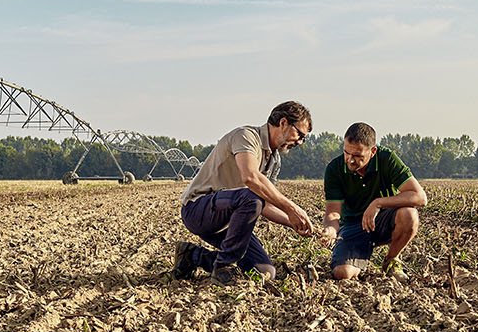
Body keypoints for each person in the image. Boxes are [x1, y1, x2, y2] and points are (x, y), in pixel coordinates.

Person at [175, 101, 316, 284]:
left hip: (229, 221)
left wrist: (295, 223)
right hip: (198, 210)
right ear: (283, 123)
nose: (300, 142)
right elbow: (250, 178)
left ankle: (193, 256)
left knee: (264, 272)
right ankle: (223, 266)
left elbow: (264, 204)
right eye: (300, 135)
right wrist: (292, 208)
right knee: (251, 196)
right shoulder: (246, 136)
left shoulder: (274, 159)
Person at [322, 122, 427, 280]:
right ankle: (358, 258)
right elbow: (333, 212)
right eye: (346, 153)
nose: (350, 160)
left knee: (409, 215)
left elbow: (420, 197)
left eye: (357, 156)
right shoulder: (334, 169)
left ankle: (391, 260)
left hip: (383, 222)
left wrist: (378, 203)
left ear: (372, 152)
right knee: (342, 274)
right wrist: (330, 230)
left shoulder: (386, 159)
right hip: (352, 226)